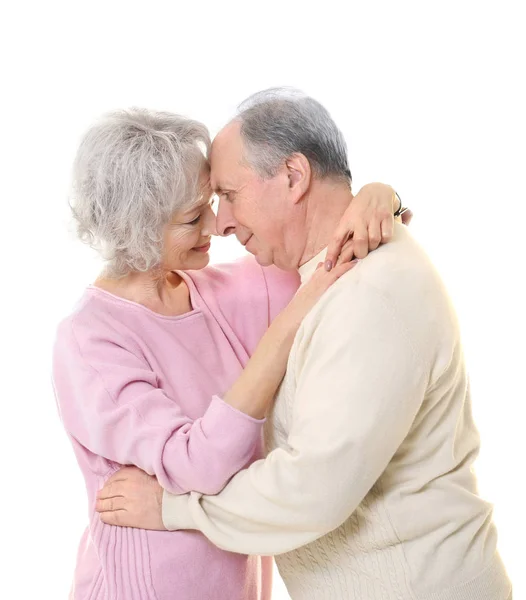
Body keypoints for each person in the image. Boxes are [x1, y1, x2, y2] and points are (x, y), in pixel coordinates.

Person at [97, 89, 512, 600]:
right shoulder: (316, 274)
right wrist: (382, 194)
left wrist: (172, 507)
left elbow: (312, 490)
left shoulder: (368, 295)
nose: (221, 223)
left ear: (294, 177)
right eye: (204, 208)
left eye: (229, 194)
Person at [53, 106, 400, 600]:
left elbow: (331, 254)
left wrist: (376, 195)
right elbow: (196, 464)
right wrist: (287, 327)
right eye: (194, 217)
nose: (218, 226)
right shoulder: (89, 342)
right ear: (139, 229)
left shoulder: (223, 291)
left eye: (212, 203)